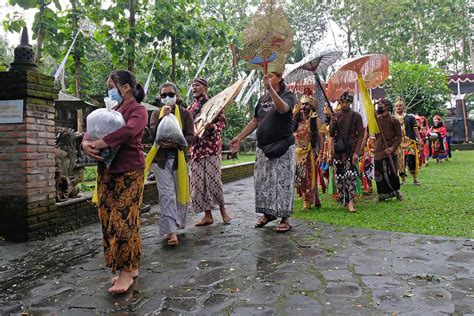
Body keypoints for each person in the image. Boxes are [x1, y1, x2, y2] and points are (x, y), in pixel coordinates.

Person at [82, 70, 147, 293]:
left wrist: (100, 143)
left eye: (111, 85)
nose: (109, 90)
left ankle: (125, 274)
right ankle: (130, 265)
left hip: (129, 171)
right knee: (108, 218)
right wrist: (86, 143)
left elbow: (130, 131)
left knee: (123, 219)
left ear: (125, 87)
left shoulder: (137, 110)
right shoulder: (113, 109)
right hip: (107, 170)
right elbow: (93, 128)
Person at [230, 68, 297, 232]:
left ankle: (284, 217)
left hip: (283, 145)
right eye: (264, 76)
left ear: (280, 77)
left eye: (270, 76)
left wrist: (271, 90)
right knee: (263, 181)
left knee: (283, 181)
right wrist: (240, 137)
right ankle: (268, 214)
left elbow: (283, 109)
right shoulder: (262, 99)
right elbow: (255, 121)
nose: (265, 78)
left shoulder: (288, 95)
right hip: (263, 147)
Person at [149, 82, 194, 246]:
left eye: (170, 94)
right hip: (159, 160)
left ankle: (177, 223)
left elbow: (190, 136)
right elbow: (153, 133)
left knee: (179, 192)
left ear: (177, 95)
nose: (167, 97)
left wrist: (177, 142)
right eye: (163, 95)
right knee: (167, 194)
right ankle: (171, 231)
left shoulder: (185, 114)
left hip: (179, 159)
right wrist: (162, 117)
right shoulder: (155, 114)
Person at [188, 77, 232, 226]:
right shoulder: (190, 108)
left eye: (198, 85)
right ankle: (208, 216)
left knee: (213, 180)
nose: (194, 87)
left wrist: (212, 127)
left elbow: (222, 123)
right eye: (193, 85)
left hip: (212, 147)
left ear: (205, 88)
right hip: (197, 149)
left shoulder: (215, 103)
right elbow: (188, 128)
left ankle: (223, 211)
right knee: (199, 183)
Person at [328, 92, 364, 212]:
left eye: (347, 102)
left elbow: (361, 135)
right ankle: (343, 199)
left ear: (350, 103)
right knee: (339, 177)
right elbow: (332, 134)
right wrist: (332, 122)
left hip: (351, 150)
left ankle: (351, 202)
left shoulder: (356, 116)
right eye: (342, 102)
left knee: (351, 176)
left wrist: (356, 153)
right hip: (339, 150)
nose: (344, 104)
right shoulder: (336, 115)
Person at [293, 94, 324, 209]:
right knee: (300, 177)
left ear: (311, 107)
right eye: (303, 104)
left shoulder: (316, 121)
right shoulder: (296, 120)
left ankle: (308, 200)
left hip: (310, 154)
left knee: (310, 177)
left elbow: (321, 138)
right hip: (296, 154)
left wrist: (321, 154)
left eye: (307, 104)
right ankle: (310, 197)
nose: (304, 107)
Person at [373, 99, 403, 202]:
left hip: (390, 150)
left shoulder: (394, 120)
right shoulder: (376, 119)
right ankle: (382, 194)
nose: (380, 106)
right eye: (379, 104)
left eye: (382, 104)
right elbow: (369, 130)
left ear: (387, 106)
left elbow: (399, 137)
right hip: (378, 150)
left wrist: (392, 148)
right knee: (379, 173)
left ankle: (396, 191)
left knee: (393, 172)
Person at [394, 98, 423, 185]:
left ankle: (415, 179)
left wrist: (420, 139)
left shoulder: (410, 117)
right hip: (398, 144)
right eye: (397, 106)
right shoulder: (392, 118)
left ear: (404, 107)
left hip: (410, 142)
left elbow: (415, 129)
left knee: (412, 160)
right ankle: (403, 180)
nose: (398, 107)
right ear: (394, 108)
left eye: (400, 106)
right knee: (400, 162)